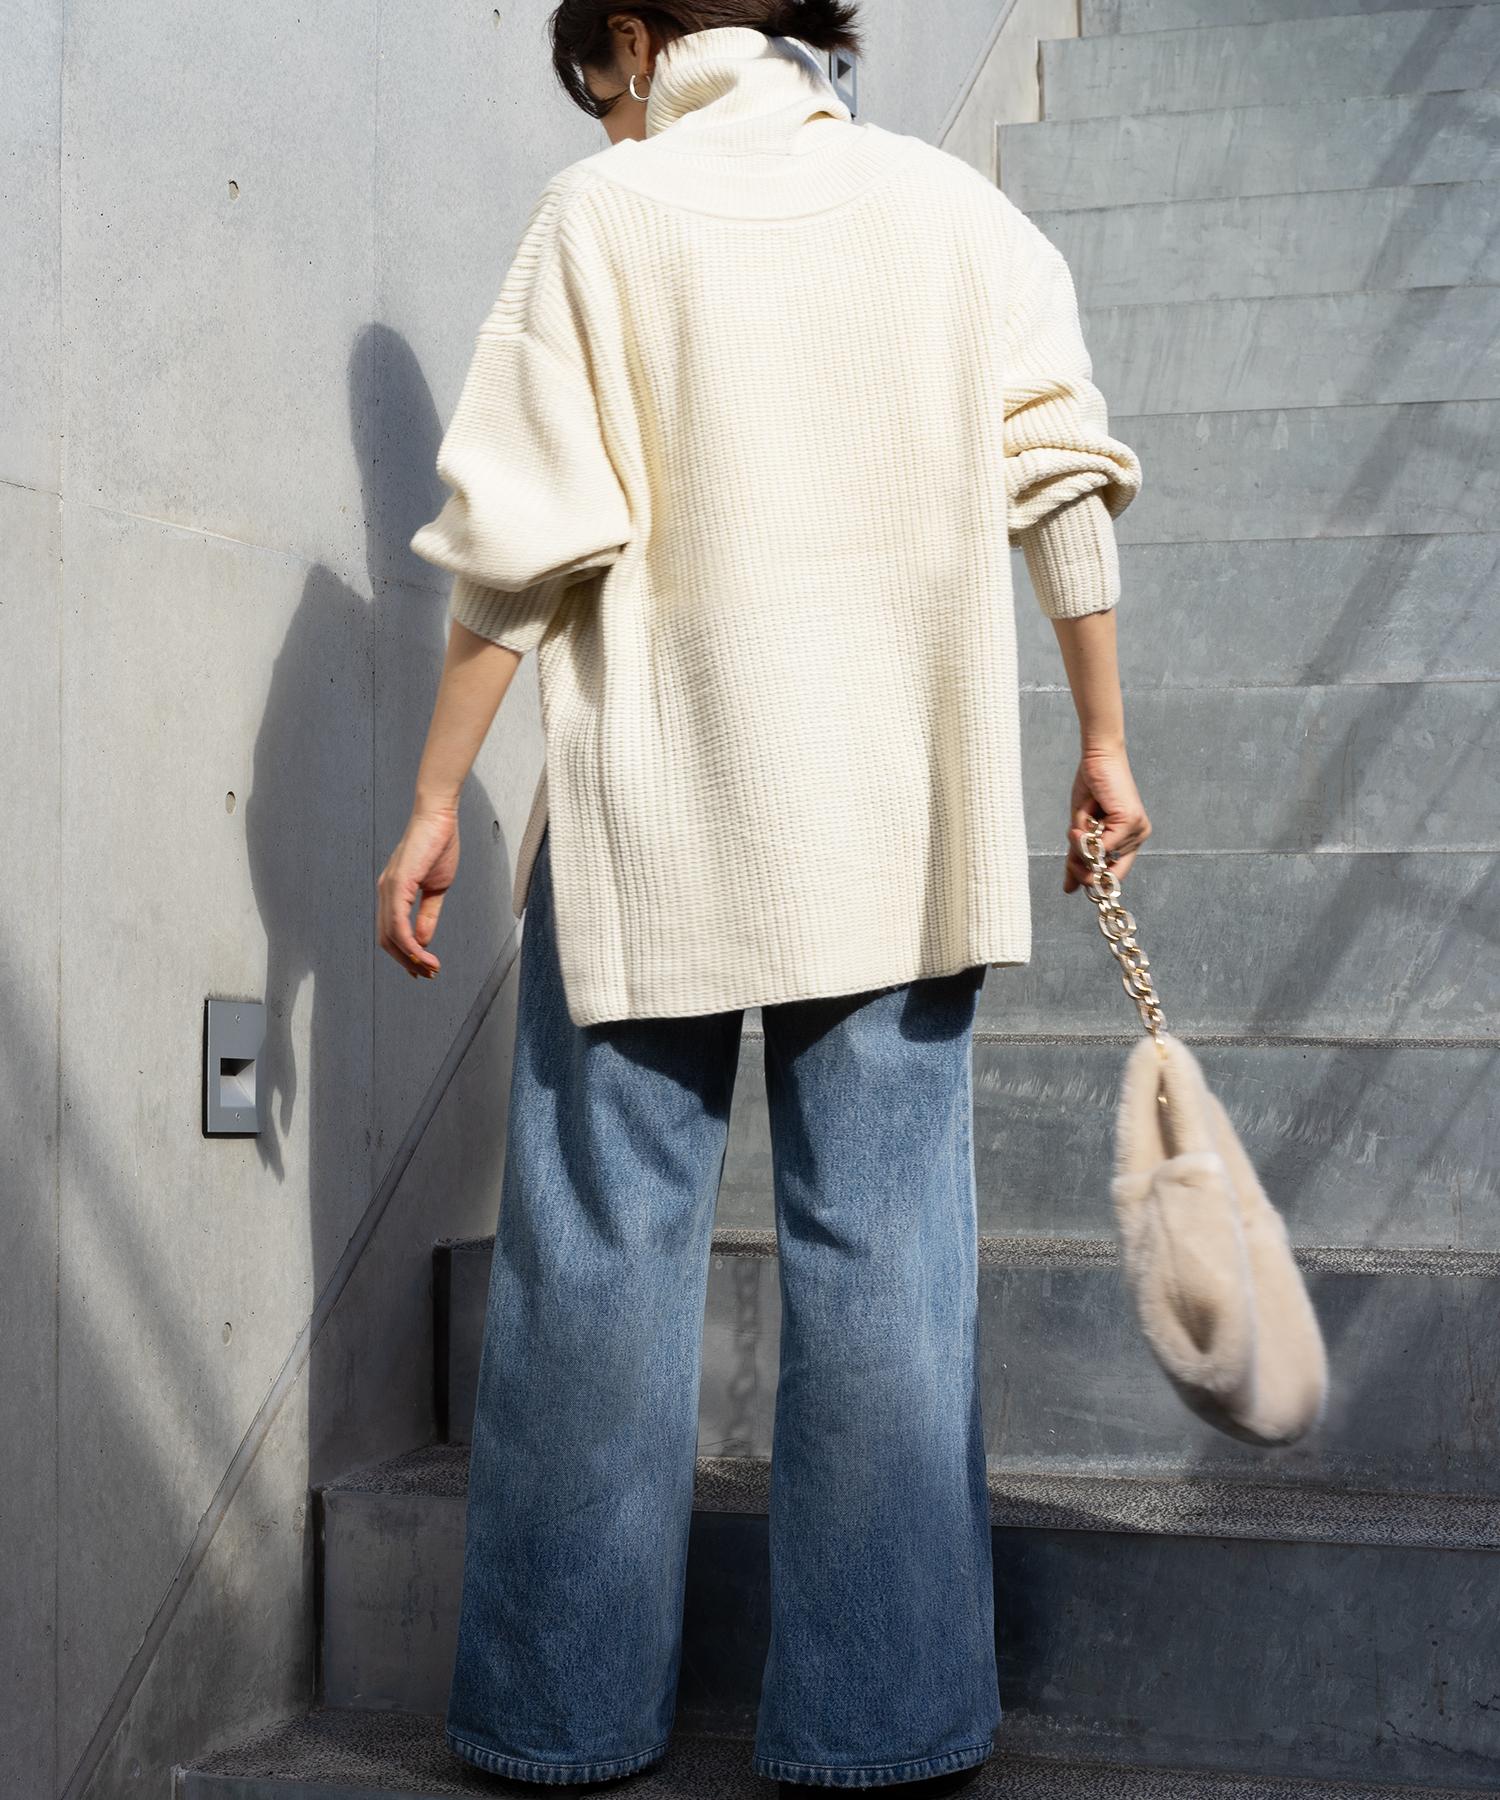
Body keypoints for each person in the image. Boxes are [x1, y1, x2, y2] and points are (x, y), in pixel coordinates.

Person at [377, 3, 1149, 1792]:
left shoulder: (603, 218)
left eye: (600, 84)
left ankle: (560, 1717)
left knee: (596, 1259)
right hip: (900, 827)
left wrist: (433, 797)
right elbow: (1061, 480)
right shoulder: (958, 219)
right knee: (888, 1263)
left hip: (658, 816)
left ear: (633, 39)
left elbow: (525, 535)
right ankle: (883, 1722)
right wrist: (1103, 737)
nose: (609, 120)